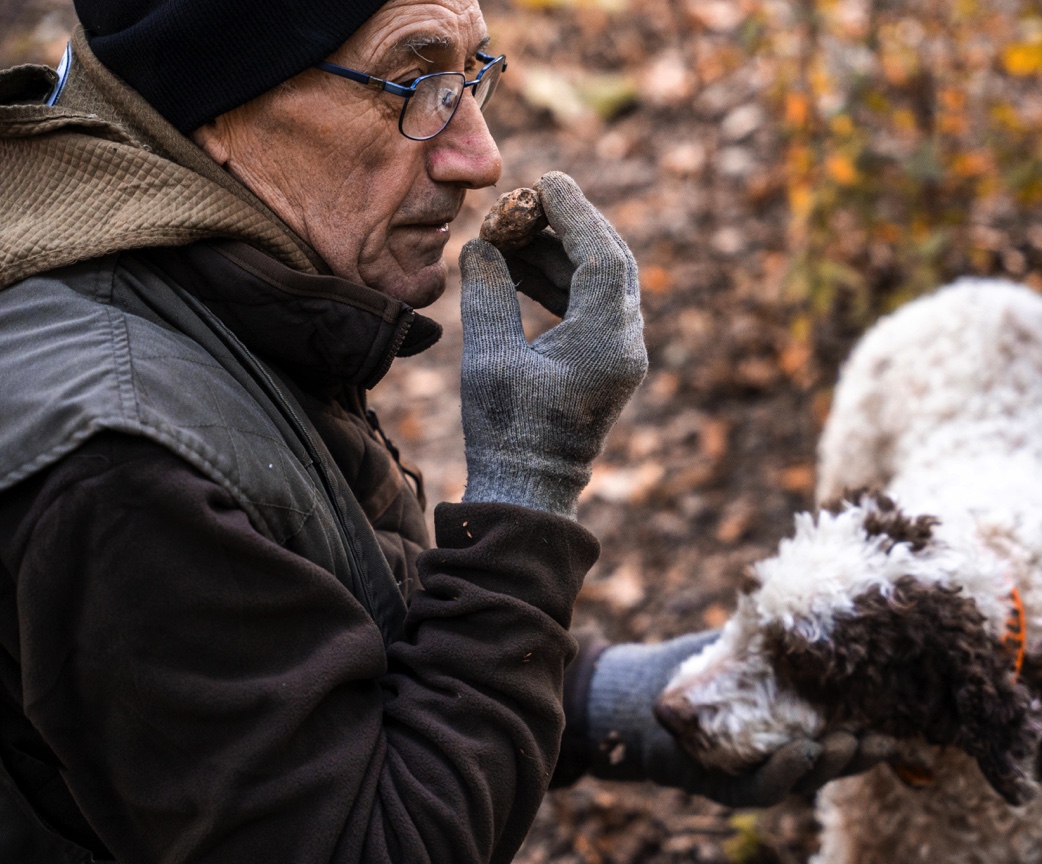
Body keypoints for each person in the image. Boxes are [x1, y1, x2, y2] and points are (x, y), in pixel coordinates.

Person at [0, 1, 877, 861]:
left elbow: (336, 636)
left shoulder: (214, 287)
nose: (479, 158)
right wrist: (528, 486)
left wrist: (607, 702)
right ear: (215, 104)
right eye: (413, 80)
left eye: (472, 76)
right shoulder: (121, 463)